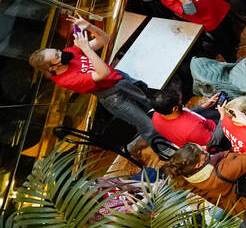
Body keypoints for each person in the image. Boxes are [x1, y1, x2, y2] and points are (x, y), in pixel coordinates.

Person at [29, 16, 157, 144]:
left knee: (153, 106)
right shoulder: (65, 80)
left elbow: (104, 40)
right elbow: (103, 73)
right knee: (146, 125)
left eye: (57, 50)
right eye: (57, 55)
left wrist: (90, 26)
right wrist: (86, 49)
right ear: (53, 67)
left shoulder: (69, 52)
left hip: (120, 79)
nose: (61, 52)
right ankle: (165, 150)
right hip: (113, 96)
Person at [150, 88, 220, 149]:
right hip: (213, 140)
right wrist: (224, 117)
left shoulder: (157, 115)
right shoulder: (193, 129)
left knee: (214, 109)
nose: (182, 102)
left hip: (199, 131)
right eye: (180, 101)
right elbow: (215, 140)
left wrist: (203, 106)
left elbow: (185, 113)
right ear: (175, 108)